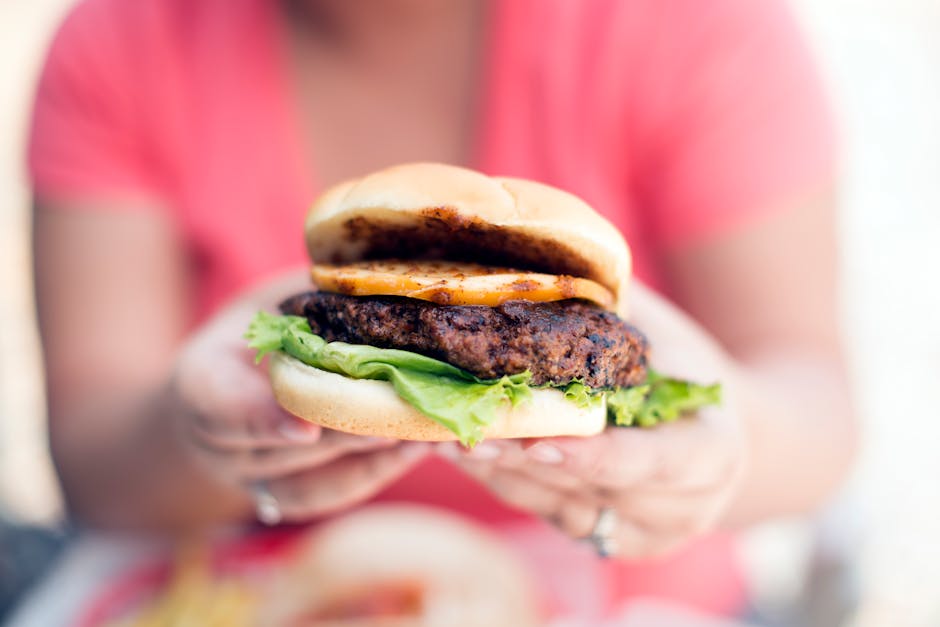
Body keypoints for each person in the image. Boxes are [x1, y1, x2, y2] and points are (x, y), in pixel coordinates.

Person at [29, 0, 855, 618]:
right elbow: (92, 468)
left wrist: (728, 444)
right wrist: (192, 428)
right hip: (276, 597)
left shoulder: (696, 24)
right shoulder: (120, 38)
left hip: (631, 599)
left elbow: (821, 406)